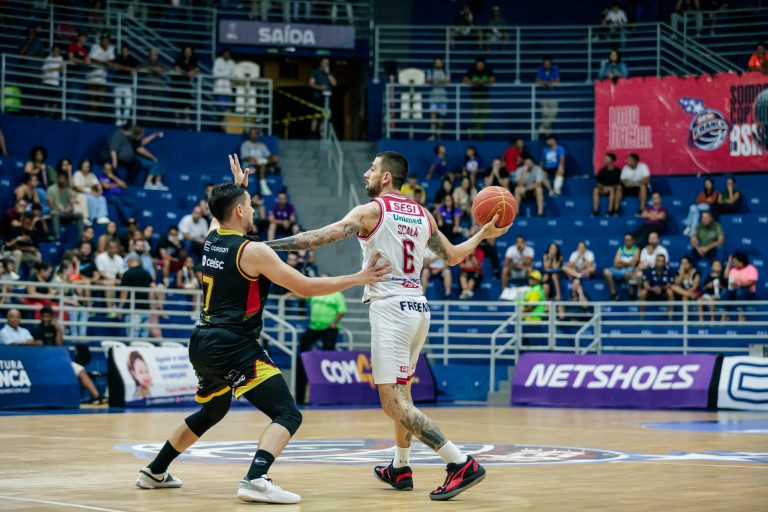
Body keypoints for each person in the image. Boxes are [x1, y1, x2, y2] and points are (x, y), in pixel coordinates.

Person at [136, 159, 391, 503]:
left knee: (213, 410)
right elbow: (306, 287)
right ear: (240, 211)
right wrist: (358, 278)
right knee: (287, 413)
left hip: (202, 340)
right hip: (233, 345)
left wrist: (238, 186)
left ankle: (154, 471)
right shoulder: (253, 251)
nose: (254, 209)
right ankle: (255, 479)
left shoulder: (212, 238)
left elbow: (219, 213)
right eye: (250, 205)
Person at [263, 151, 509, 500]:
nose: (366, 173)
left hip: (391, 310)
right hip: (418, 308)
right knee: (403, 394)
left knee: (392, 403)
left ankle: (459, 463)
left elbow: (318, 237)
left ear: (387, 178)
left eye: (372, 169)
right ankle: (400, 466)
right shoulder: (423, 214)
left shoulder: (371, 211)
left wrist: (262, 247)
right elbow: (453, 257)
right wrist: (481, 234)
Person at [31, 305, 102, 403]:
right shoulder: (37, 329)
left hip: (59, 359)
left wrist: (59, 331)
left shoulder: (56, 329)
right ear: (41, 317)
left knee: (80, 370)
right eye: (44, 316)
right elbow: (39, 348)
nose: (46, 319)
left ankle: (96, 396)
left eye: (48, 316)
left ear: (52, 317)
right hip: (44, 361)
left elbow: (60, 345)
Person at [295, 283, 347, 403]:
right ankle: (304, 359)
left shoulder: (337, 294)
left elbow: (342, 310)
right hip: (314, 327)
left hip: (329, 327)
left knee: (329, 351)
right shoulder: (316, 293)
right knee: (304, 341)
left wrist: (334, 323)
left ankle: (328, 368)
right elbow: (304, 295)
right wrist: (292, 294)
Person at [119, 253, 154, 338]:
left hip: (133, 310)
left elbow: (124, 292)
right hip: (146, 309)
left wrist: (120, 307)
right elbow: (151, 291)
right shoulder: (147, 273)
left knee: (133, 337)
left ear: (131, 262)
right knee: (144, 338)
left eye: (127, 262)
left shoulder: (128, 274)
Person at [240, 127, 279, 196]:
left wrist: (270, 159)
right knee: (262, 164)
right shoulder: (245, 144)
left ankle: (265, 166)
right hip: (250, 169)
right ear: (249, 135)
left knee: (275, 158)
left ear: (258, 135)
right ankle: (263, 186)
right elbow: (245, 158)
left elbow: (269, 156)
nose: (253, 135)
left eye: (255, 133)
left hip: (262, 165)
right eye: (252, 134)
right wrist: (259, 160)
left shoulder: (262, 145)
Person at [462, 58, 495, 138]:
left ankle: (473, 131)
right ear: (476, 64)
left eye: (481, 65)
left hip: (485, 97)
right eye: (478, 65)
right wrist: (475, 82)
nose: (479, 66)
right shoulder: (472, 71)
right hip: (475, 97)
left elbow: (493, 80)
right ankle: (479, 133)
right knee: (475, 115)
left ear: (484, 65)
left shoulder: (488, 71)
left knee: (485, 115)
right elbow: (465, 79)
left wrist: (484, 82)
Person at [47, 172, 85, 240]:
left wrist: (69, 209)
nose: (62, 180)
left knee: (80, 215)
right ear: (57, 179)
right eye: (60, 178)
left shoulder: (68, 190)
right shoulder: (51, 189)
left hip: (67, 213)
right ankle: (57, 236)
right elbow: (50, 203)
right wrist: (60, 210)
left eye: (63, 179)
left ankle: (81, 237)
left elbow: (72, 203)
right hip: (58, 211)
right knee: (55, 214)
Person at [604, 233, 640, 301]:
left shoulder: (636, 249)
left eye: (629, 240)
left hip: (629, 270)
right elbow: (615, 263)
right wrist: (626, 263)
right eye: (626, 240)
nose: (627, 242)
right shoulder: (621, 249)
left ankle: (631, 295)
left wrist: (621, 262)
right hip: (619, 270)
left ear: (633, 241)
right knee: (606, 272)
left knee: (628, 273)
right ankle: (614, 294)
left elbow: (633, 264)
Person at [72, 159, 110, 225]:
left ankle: (101, 217)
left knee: (101, 198)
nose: (86, 168)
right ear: (81, 166)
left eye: (87, 166)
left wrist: (99, 192)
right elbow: (76, 187)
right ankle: (92, 218)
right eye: (84, 166)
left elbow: (98, 185)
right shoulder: (77, 174)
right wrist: (90, 193)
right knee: (91, 199)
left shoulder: (92, 175)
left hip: (91, 193)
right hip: (80, 193)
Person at [86, 34, 114, 120]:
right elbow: (92, 60)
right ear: (101, 41)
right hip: (92, 77)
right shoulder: (95, 47)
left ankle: (94, 116)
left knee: (101, 99)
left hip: (102, 78)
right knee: (92, 98)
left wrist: (102, 63)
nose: (106, 42)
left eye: (107, 40)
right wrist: (104, 63)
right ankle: (90, 118)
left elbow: (110, 62)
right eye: (104, 40)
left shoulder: (111, 48)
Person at [112, 44, 140, 126]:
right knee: (117, 103)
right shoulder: (118, 57)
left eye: (126, 50)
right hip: (118, 84)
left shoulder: (131, 59)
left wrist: (134, 70)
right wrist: (127, 68)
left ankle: (125, 120)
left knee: (128, 103)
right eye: (124, 50)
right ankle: (118, 120)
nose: (125, 51)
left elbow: (138, 66)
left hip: (127, 84)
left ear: (128, 51)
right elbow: (114, 65)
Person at [172, 46, 200, 125]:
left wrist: (193, 72)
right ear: (184, 52)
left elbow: (197, 70)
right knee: (176, 104)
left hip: (186, 85)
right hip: (177, 84)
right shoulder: (179, 59)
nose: (188, 53)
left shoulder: (193, 60)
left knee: (186, 104)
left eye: (189, 51)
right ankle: (176, 122)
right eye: (186, 51)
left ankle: (186, 121)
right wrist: (187, 73)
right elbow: (177, 69)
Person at [309, 58, 336, 137]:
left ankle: (322, 133)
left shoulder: (329, 72)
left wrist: (328, 74)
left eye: (327, 63)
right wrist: (320, 87)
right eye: (324, 63)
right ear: (320, 63)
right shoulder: (315, 72)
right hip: (317, 96)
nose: (325, 64)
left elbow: (334, 84)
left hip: (327, 97)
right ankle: (313, 133)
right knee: (316, 115)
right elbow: (311, 84)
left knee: (325, 116)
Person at [96, 239, 125, 313]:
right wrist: (113, 280)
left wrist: (122, 281)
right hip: (101, 280)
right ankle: (110, 309)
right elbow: (101, 273)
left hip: (114, 281)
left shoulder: (119, 259)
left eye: (115, 247)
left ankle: (117, 308)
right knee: (110, 284)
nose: (113, 249)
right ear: (107, 248)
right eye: (111, 247)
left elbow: (121, 274)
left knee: (116, 284)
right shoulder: (100, 257)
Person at [426, 58, 450, 141]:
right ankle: (432, 135)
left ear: (442, 63)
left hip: (443, 97)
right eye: (436, 63)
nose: (438, 64)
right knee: (433, 117)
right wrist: (435, 80)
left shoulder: (446, 71)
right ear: (434, 64)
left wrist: (438, 80)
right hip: (433, 96)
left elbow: (448, 80)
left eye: (439, 63)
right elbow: (428, 81)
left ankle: (439, 136)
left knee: (441, 118)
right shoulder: (431, 71)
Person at [535, 57, 560, 134]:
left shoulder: (555, 68)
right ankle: (547, 133)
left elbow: (558, 81)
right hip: (543, 96)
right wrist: (549, 83)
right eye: (545, 64)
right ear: (543, 65)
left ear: (551, 64)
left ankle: (541, 128)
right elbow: (537, 81)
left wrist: (545, 83)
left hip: (553, 96)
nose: (547, 66)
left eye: (548, 64)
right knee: (545, 114)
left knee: (553, 114)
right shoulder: (540, 69)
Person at [593, 152, 622, 216]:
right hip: (604, 189)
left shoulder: (617, 171)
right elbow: (598, 183)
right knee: (595, 190)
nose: (604, 160)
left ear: (611, 160)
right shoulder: (602, 171)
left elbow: (619, 183)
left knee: (612, 189)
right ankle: (595, 211)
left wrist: (610, 187)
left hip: (613, 190)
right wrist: (603, 187)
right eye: (604, 158)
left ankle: (610, 211)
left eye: (606, 159)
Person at [41, 46, 64, 116]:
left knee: (55, 101)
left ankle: (52, 115)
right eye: (55, 50)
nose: (56, 52)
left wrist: (52, 69)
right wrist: (42, 80)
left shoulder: (60, 58)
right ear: (52, 51)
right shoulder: (48, 58)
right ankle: (46, 115)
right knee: (46, 101)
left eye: (58, 51)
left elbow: (61, 68)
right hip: (47, 82)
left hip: (55, 83)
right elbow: (43, 70)